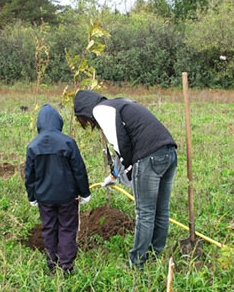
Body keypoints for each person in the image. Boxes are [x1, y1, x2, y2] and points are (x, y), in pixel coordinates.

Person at [74, 90, 177, 269]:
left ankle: (136, 263)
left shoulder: (100, 110)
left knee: (145, 213)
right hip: (169, 153)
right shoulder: (119, 103)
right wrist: (114, 174)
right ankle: (155, 254)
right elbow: (126, 139)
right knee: (161, 210)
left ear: (85, 111)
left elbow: (121, 144)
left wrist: (128, 171)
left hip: (149, 157)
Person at [24, 104, 91, 274]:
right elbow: (79, 170)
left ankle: (52, 263)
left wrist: (32, 196)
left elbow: (29, 175)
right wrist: (84, 193)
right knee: (67, 228)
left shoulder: (33, 146)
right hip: (67, 197)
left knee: (49, 228)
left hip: (44, 198)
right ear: (58, 122)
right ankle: (67, 266)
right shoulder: (68, 143)